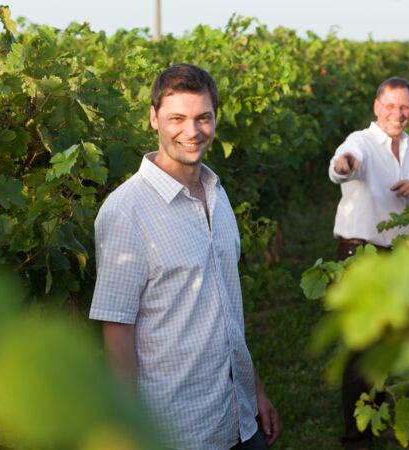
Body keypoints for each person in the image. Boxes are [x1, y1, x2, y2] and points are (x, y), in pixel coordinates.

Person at [89, 63, 280, 450]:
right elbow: (117, 332)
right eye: (177, 118)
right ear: (153, 118)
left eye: (202, 118)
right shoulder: (126, 211)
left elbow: (227, 308)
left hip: (240, 421)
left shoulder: (217, 193)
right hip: (176, 431)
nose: (192, 132)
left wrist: (254, 390)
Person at [328, 76, 409, 450]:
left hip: (398, 258)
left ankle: (379, 418)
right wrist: (345, 164)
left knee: (394, 341)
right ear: (377, 107)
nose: (398, 113)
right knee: (361, 347)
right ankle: (356, 439)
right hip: (361, 255)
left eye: (404, 106)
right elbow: (343, 163)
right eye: (390, 106)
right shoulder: (362, 142)